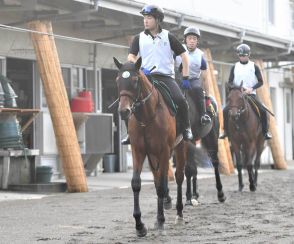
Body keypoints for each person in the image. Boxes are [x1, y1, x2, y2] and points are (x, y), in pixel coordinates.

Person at [121, 4, 193, 145]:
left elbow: (184, 55)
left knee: (181, 100)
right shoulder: (138, 38)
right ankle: (130, 133)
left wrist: (185, 77)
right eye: (144, 18)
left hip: (165, 77)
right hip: (145, 76)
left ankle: (186, 128)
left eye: (149, 18)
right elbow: (131, 57)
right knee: (126, 100)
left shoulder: (168, 36)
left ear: (158, 20)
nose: (145, 21)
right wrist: (140, 68)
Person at [219, 43, 272, 140]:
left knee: (263, 111)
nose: (242, 57)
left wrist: (251, 88)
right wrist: (238, 89)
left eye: (244, 55)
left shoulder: (254, 66)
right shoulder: (234, 66)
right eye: (240, 55)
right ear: (238, 55)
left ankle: (265, 132)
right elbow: (230, 82)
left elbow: (261, 81)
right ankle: (225, 131)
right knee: (225, 110)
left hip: (250, 94)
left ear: (248, 55)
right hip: (237, 94)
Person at [175, 26, 211, 125]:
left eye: (194, 39)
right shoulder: (177, 50)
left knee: (197, 89)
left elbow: (204, 78)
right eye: (189, 38)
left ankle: (203, 115)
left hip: (193, 80)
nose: (191, 41)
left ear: (197, 41)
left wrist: (207, 97)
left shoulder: (200, 56)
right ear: (185, 40)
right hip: (178, 79)